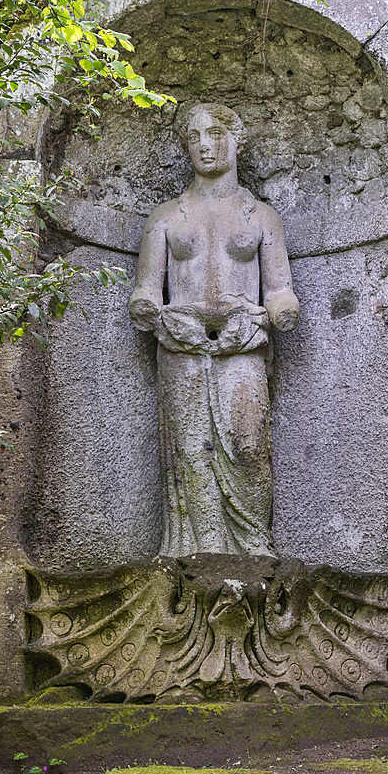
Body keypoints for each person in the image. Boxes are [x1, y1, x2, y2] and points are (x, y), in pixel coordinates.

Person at [129, 103, 300, 556]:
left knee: (247, 443)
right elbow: (146, 288)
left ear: (236, 138)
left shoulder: (262, 217)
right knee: (192, 450)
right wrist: (147, 308)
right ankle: (200, 552)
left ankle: (252, 543)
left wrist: (282, 310)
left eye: (217, 133)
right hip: (181, 342)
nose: (206, 145)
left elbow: (280, 287)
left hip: (242, 341)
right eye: (196, 137)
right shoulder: (166, 217)